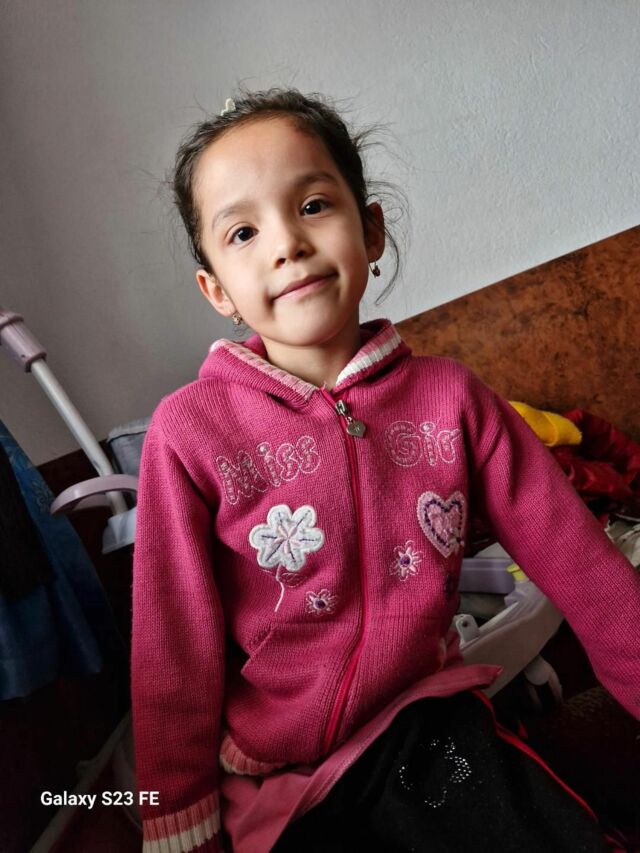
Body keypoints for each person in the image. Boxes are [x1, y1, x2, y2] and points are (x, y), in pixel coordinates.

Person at [131, 87, 640, 853]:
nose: (286, 243)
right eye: (243, 231)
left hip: (425, 728)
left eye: (312, 205)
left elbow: (585, 567)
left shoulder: (452, 400)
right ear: (217, 290)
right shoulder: (189, 432)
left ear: (370, 230)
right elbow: (170, 647)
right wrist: (176, 819)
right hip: (277, 771)